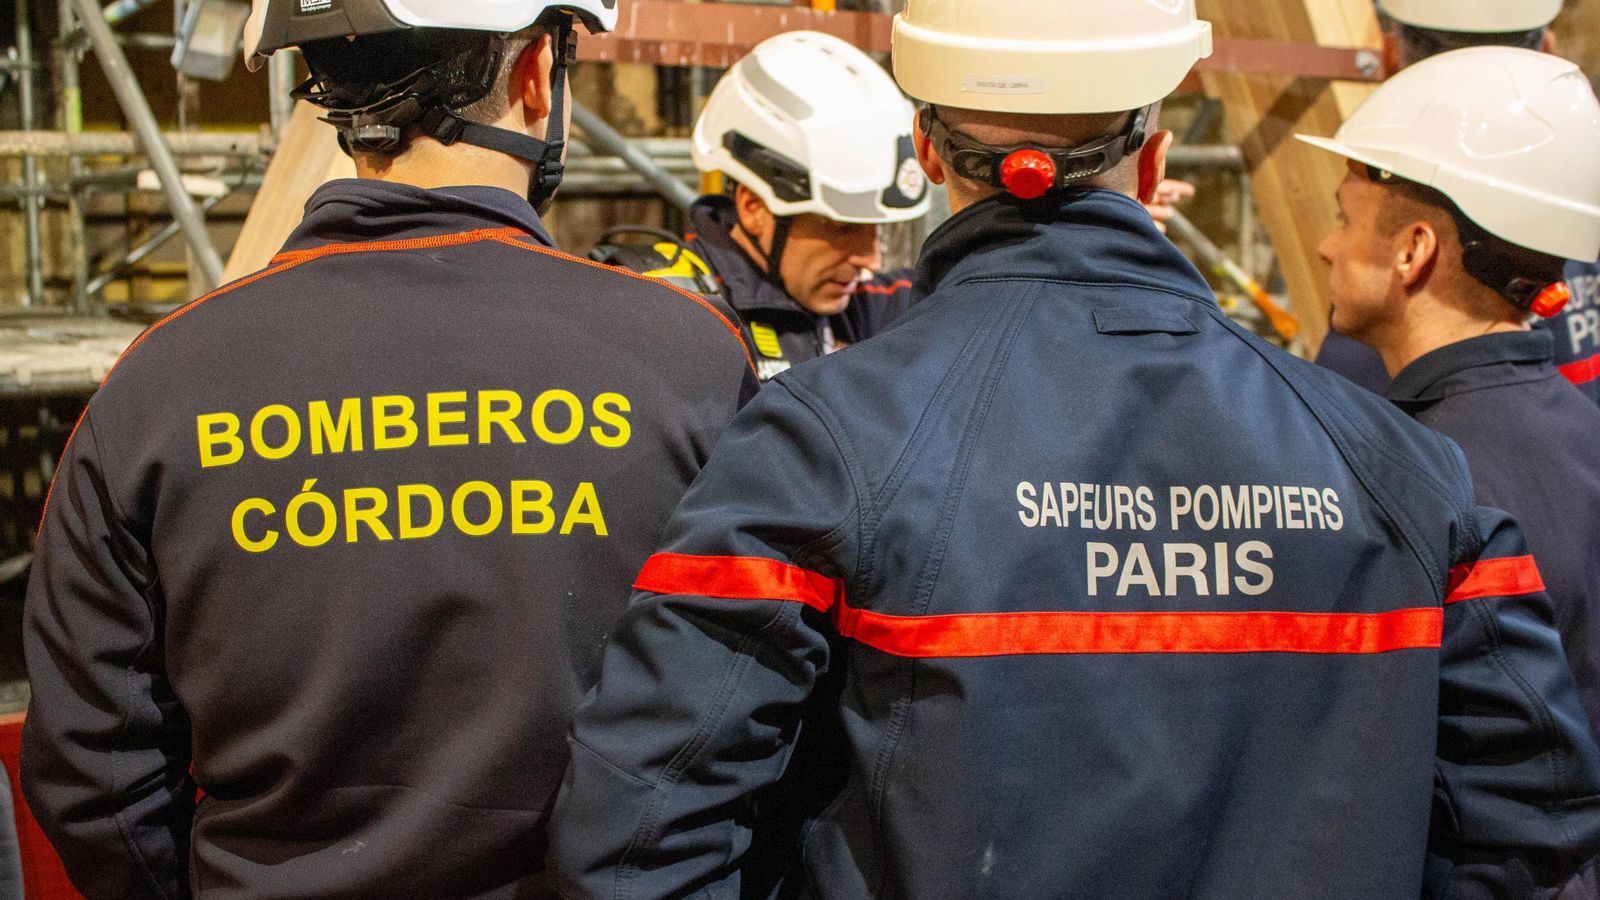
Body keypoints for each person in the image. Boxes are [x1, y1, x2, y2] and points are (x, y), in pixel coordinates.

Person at [548, 1, 1600, 897]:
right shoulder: (1404, 472)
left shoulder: (819, 446)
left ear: (925, 148)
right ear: (1151, 156)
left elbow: (638, 827)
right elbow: (1534, 831)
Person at [19, 0, 758, 894]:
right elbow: (758, 704)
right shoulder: (693, 358)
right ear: (534, 75)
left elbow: (93, 769)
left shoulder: (156, 387)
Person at [1305, 44, 1600, 743]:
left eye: (1345, 218)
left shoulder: (1412, 475)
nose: (1325, 246)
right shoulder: (1581, 433)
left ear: (1413, 250)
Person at [594, 31, 930, 382]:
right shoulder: (664, 308)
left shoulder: (864, 305)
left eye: (877, 229)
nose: (870, 260)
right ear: (754, 208)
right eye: (842, 227)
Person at [1315, 0, 1600, 405]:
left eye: (1345, 221)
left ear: (1393, 56)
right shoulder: (1577, 202)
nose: (1328, 247)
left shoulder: (1393, 292)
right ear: (1549, 50)